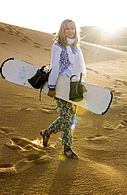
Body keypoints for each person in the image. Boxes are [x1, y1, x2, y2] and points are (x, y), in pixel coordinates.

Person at [40, 19, 86, 159]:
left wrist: (81, 84)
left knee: (69, 117)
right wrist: (51, 86)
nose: (70, 31)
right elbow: (54, 67)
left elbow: (81, 67)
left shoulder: (76, 48)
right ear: (62, 30)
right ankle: (67, 148)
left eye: (72, 28)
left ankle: (47, 132)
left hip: (73, 87)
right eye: (67, 29)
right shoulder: (57, 46)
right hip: (60, 86)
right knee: (67, 118)